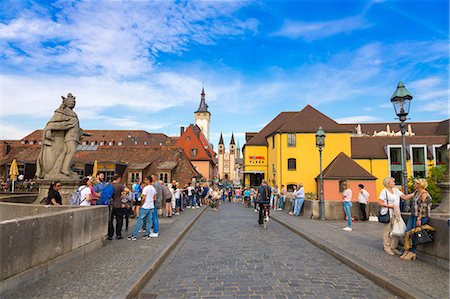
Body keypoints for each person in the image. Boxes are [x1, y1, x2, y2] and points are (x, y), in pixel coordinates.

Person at [401, 178, 432, 261]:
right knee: (408, 232)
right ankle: (406, 250)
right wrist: (395, 192)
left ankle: (413, 252)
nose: (414, 184)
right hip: (413, 215)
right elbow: (406, 197)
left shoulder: (424, 193)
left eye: (415, 183)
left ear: (419, 184)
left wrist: (419, 218)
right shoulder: (416, 192)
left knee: (414, 233)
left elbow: (423, 207)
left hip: (421, 216)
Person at [378, 177, 410, 256]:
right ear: (388, 183)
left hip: (396, 213)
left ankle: (393, 246)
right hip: (388, 213)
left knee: (395, 230)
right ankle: (387, 247)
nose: (394, 183)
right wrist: (391, 206)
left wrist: (415, 193)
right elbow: (380, 202)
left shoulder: (396, 190)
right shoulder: (384, 191)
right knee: (387, 231)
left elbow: (404, 197)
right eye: (393, 182)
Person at [128, 176, 156, 241]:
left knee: (139, 221)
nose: (144, 181)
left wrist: (141, 204)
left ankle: (134, 236)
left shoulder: (146, 188)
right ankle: (147, 235)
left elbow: (143, 198)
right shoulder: (153, 188)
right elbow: (154, 198)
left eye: (145, 180)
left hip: (145, 206)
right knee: (149, 221)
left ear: (148, 180)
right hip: (151, 206)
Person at [108, 174, 130, 240]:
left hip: (110, 205)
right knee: (119, 220)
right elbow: (127, 190)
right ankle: (118, 234)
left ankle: (110, 235)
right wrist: (123, 195)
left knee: (110, 221)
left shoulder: (109, 185)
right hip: (118, 205)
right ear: (118, 179)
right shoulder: (119, 186)